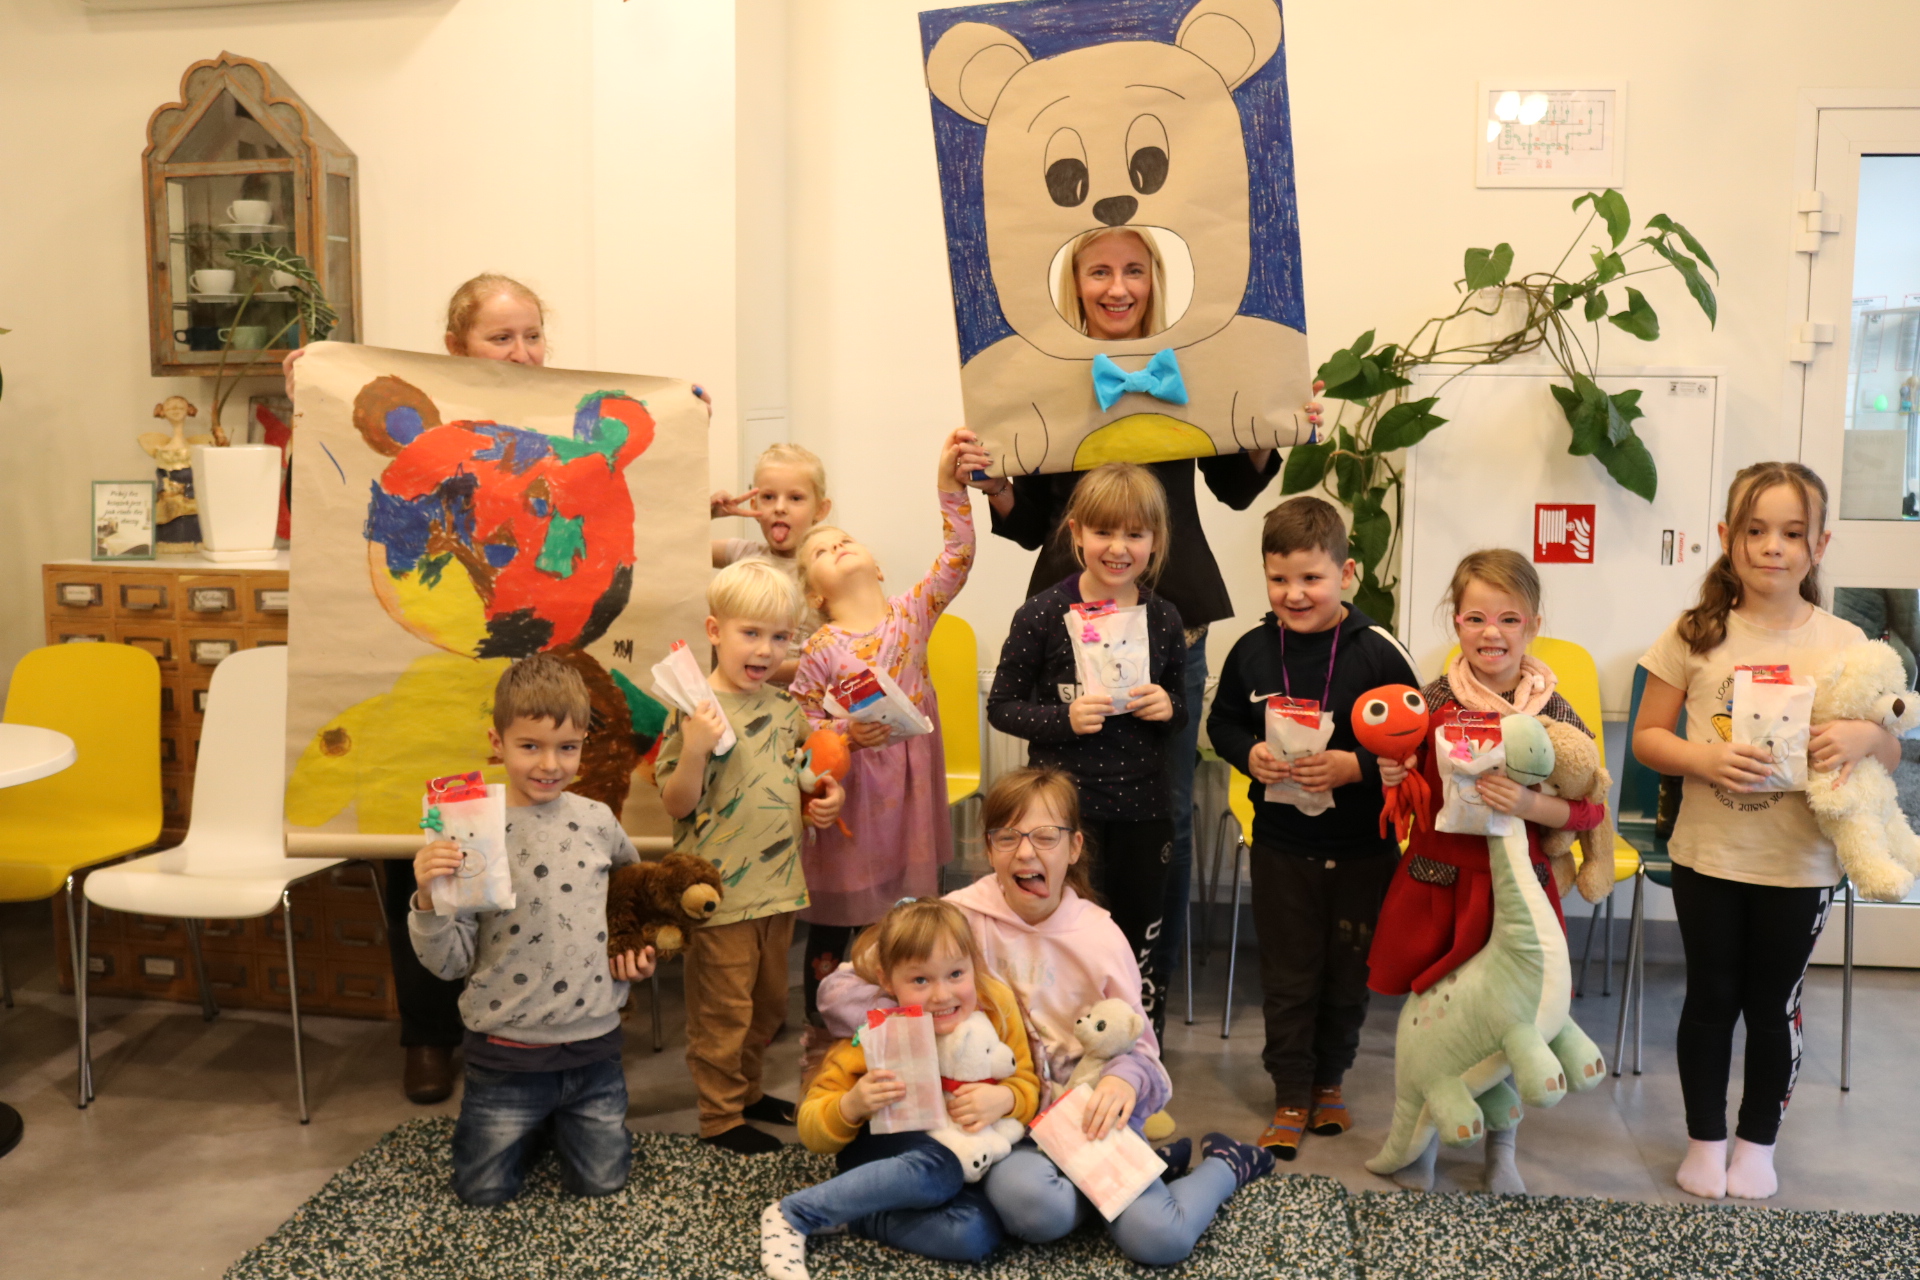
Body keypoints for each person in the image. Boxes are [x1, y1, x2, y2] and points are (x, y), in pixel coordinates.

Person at [972, 214, 1318, 1000]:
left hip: (1172, 620)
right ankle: (1062, 970)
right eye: (1100, 272)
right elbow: (1031, 524)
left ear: (1155, 281)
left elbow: (1235, 485)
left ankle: (1150, 976)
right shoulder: (1037, 373)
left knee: (1165, 804)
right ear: (1076, 284)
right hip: (1068, 626)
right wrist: (996, 486)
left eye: (1134, 270)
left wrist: (1269, 425)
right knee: (1063, 798)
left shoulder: (1190, 364)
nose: (1117, 287)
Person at [820, 768, 1275, 1267]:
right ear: (989, 847)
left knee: (1160, 1239)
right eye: (1007, 837)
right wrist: (915, 1012)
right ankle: (1134, 1177)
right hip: (1010, 1126)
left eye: (1045, 836)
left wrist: (1122, 1083)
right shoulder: (959, 916)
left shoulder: (1102, 938)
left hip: (1088, 1120)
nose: (1025, 852)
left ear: (1075, 847)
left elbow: (1139, 1046)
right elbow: (839, 992)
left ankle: (1227, 1163)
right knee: (1036, 1211)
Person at [1634, 461, 1899, 1201]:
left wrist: (1859, 740)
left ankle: (1757, 1143)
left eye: (1790, 532)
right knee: (1710, 998)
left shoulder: (1846, 641)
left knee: (1771, 1003)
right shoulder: (1694, 633)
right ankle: (1703, 1141)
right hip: (1709, 855)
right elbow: (1649, 737)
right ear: (1727, 538)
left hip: (1802, 862)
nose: (1772, 547)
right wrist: (1705, 758)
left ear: (1819, 544)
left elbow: (1893, 746)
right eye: (1755, 530)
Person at [1365, 548, 1607, 1194]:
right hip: (1439, 882)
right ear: (1456, 621)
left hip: (1514, 889)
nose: (1490, 633)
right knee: (1431, 1010)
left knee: (1515, 1014)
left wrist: (1531, 804)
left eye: (1507, 618)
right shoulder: (1434, 698)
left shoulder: (1552, 711)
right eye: (1475, 618)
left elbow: (1589, 807)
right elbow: (1408, 783)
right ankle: (1418, 1137)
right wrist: (1395, 774)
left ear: (1532, 624)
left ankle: (1503, 1146)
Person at [1204, 496, 1419, 1160]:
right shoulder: (1250, 652)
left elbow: (1416, 743)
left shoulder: (1379, 653)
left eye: (1311, 578)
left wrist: (1354, 766)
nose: (1294, 594)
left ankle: (1331, 1080)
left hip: (1363, 849)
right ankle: (1291, 1092)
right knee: (1288, 974)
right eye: (1279, 579)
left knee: (1347, 972)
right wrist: (1249, 755)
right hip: (1282, 847)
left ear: (1346, 573)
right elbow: (1223, 725)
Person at [406, 655, 655, 1205]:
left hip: (594, 1050)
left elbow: (632, 902)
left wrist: (639, 950)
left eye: (568, 747)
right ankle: (538, 1126)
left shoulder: (597, 821)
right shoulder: (472, 833)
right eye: (530, 746)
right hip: (505, 1057)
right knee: (482, 1193)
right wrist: (428, 899)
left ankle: (555, 1126)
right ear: (496, 741)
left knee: (603, 1185)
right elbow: (447, 963)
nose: (550, 764)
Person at [787, 429, 988, 1028]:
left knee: (904, 909)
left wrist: (947, 488)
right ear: (815, 595)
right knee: (839, 915)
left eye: (847, 540)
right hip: (856, 789)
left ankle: (910, 1015)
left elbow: (957, 556)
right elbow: (799, 718)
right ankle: (825, 1028)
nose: (839, 547)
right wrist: (844, 734)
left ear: (874, 565)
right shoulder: (821, 646)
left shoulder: (913, 612)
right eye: (822, 551)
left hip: (909, 784)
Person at [655, 558, 846, 1154]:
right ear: (715, 632)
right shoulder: (693, 711)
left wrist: (822, 798)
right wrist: (694, 749)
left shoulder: (786, 709)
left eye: (780, 636)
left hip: (779, 888)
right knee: (721, 1015)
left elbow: (798, 780)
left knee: (766, 1008)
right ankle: (719, 1120)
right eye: (750, 633)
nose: (765, 649)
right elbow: (675, 804)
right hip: (719, 898)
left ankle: (750, 1092)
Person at [987, 462, 1184, 1034]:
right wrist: (1063, 718)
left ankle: (1139, 1065)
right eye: (1102, 532)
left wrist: (1169, 708)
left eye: (1134, 534)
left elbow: (1180, 714)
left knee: (1135, 947)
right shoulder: (1044, 614)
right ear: (1075, 534)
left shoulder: (1165, 619)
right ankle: (1055, 1063)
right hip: (1062, 816)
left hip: (1144, 813)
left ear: (1154, 541)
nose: (1117, 548)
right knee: (1060, 943)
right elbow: (1001, 706)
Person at [759, 899, 1040, 1278]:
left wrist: (1006, 1098)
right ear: (888, 980)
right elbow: (811, 1127)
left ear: (973, 964)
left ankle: (856, 1215)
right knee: (942, 1167)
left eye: (956, 973)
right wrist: (852, 1105)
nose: (942, 995)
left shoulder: (994, 1005)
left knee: (978, 1233)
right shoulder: (875, 1029)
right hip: (889, 1157)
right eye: (920, 980)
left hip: (963, 1160)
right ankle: (795, 1212)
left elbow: (1026, 1082)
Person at [709, 442, 836, 686]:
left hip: (803, 710)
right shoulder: (743, 554)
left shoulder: (830, 571)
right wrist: (706, 512)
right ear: (754, 505)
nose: (779, 508)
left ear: (820, 510)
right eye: (768, 497)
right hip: (739, 706)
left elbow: (838, 656)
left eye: (795, 498)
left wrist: (751, 668)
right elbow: (677, 550)